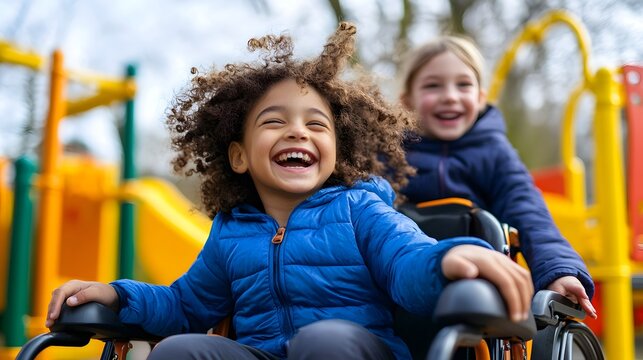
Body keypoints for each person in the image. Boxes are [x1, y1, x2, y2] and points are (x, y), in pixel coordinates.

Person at [45, 23, 533, 360]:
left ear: (337, 152)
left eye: (316, 125)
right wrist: (116, 295)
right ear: (239, 155)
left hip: (352, 350)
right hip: (265, 352)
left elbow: (409, 263)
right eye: (274, 122)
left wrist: (448, 258)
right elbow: (185, 306)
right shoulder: (232, 230)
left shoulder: (359, 208)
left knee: (322, 341)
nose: (298, 133)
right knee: (179, 349)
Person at [398, 35, 596, 319]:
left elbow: (527, 210)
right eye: (433, 86)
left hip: (480, 277)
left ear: (480, 98)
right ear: (408, 101)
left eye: (463, 84)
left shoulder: (494, 152)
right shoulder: (389, 153)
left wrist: (559, 269)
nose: (450, 95)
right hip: (406, 275)